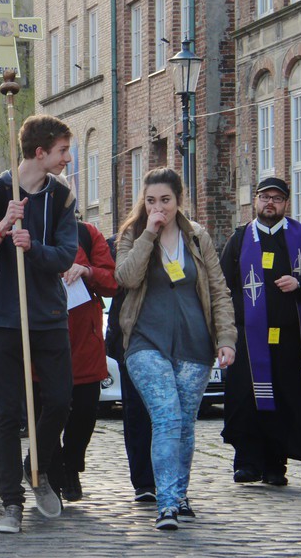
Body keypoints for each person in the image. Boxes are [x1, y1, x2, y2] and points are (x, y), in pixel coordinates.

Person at [0, 114, 78, 533]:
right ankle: (11, 503)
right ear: (40, 152)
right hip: (5, 317)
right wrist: (2, 226)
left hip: (48, 315)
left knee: (60, 400)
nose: (67, 159)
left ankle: (39, 467)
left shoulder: (62, 197)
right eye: (63, 151)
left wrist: (33, 247)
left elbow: (66, 255)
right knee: (7, 411)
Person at [115, 167, 236, 531]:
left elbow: (219, 290)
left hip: (194, 343)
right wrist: (149, 234)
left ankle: (180, 494)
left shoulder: (197, 237)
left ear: (179, 200)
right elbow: (126, 277)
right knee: (166, 416)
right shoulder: (133, 234)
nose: (158, 208)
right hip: (145, 341)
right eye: (151, 201)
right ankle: (166, 503)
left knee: (184, 423)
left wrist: (226, 338)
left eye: (165, 200)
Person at [220, 177, 301, 487]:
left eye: (277, 198)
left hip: (288, 341)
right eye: (265, 197)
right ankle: (246, 464)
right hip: (247, 341)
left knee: (283, 400)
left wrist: (300, 284)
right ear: (255, 201)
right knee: (245, 400)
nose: (270, 203)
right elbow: (222, 287)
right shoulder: (239, 241)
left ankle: (276, 466)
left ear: (285, 204)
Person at [48, 218, 118, 502]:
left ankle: (71, 464)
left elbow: (112, 282)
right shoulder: (28, 232)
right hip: (45, 338)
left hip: (84, 339)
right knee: (49, 412)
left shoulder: (86, 233)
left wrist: (87, 271)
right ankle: (53, 472)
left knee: (86, 411)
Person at [104, 235, 155, 503]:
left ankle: (174, 482)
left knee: (172, 416)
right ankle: (145, 480)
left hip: (172, 337)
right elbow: (118, 281)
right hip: (131, 336)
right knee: (136, 411)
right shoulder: (120, 243)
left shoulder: (186, 238)